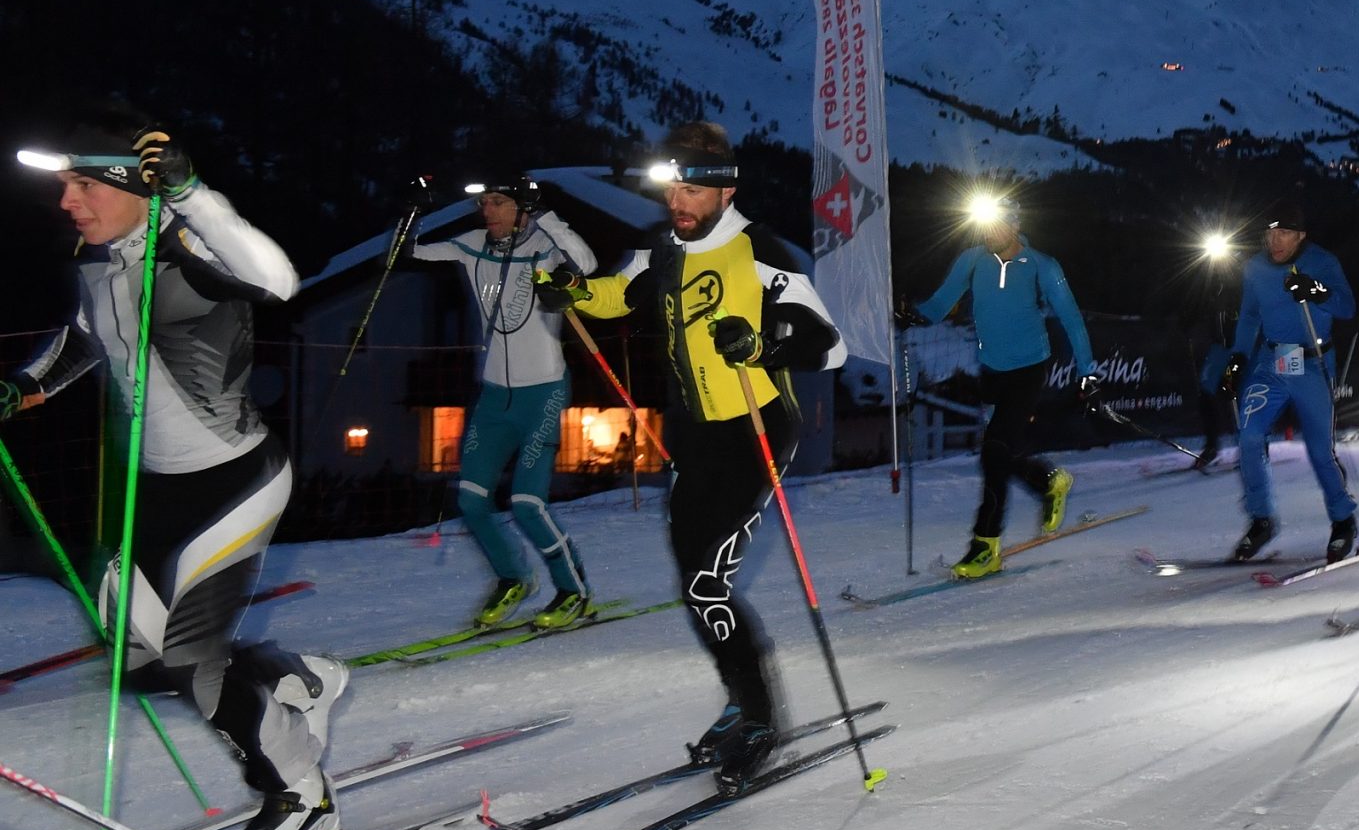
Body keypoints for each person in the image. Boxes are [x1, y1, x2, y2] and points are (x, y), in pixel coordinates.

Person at [3, 124, 345, 830]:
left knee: (191, 659)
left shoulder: (186, 249)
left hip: (235, 481)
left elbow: (278, 280)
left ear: (133, 188)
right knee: (136, 656)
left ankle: (302, 797)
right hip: (152, 489)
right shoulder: (105, 262)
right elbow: (89, 338)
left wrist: (191, 193)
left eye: (84, 186)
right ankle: (291, 679)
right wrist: (24, 388)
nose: (67, 201)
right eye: (63, 186)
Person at [535, 122, 843, 790]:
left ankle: (761, 719)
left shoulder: (762, 251)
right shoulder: (664, 249)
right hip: (692, 434)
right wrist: (572, 292)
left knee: (707, 584)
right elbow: (618, 294)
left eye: (690, 187)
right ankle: (739, 700)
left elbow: (830, 345)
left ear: (725, 189)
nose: (677, 197)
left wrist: (761, 346)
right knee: (698, 588)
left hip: (754, 428)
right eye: (670, 184)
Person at [409, 177, 599, 629]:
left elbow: (586, 262)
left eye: (499, 202)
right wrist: (412, 212)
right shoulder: (471, 244)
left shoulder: (544, 244)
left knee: (527, 503)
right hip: (495, 395)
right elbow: (407, 252)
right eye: (483, 203)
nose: (488, 211)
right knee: (472, 500)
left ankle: (572, 590)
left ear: (521, 207)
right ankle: (513, 577)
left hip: (544, 392)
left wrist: (546, 213)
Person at [899, 193, 1100, 580]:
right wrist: (914, 315)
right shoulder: (972, 260)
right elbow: (941, 304)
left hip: (1029, 369)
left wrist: (1088, 372)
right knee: (1003, 452)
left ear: (1015, 224)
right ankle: (1049, 481)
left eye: (997, 225)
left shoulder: (1042, 265)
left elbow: (1072, 318)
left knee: (993, 452)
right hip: (991, 370)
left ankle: (985, 546)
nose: (989, 233)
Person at [1218, 201, 1359, 561]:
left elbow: (1347, 307)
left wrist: (1316, 292)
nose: (1275, 241)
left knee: (1318, 451)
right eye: (1270, 233)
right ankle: (1261, 518)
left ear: (1300, 236)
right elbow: (1250, 314)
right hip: (1275, 360)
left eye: (1284, 234)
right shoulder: (1255, 267)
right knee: (1249, 436)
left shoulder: (1322, 262)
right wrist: (1237, 357)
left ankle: (1343, 520)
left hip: (1312, 361)